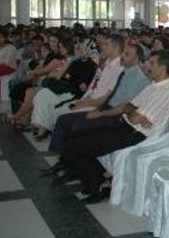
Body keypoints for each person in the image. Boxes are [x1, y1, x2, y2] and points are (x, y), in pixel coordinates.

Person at [61, 50, 169, 203]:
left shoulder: (165, 91)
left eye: (151, 63)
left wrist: (132, 111)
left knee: (75, 146)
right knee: (73, 135)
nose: (147, 66)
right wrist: (131, 111)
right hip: (124, 126)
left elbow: (134, 118)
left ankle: (99, 186)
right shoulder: (153, 85)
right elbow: (127, 107)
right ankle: (101, 178)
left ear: (162, 68)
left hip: (134, 134)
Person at [43, 42, 150, 176]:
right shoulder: (124, 72)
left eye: (127, 54)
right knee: (63, 120)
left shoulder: (140, 80)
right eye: (123, 52)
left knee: (77, 127)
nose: (122, 56)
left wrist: (100, 113)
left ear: (137, 59)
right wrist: (97, 109)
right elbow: (110, 95)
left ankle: (71, 165)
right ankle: (65, 161)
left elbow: (124, 107)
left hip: (115, 116)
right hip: (105, 108)